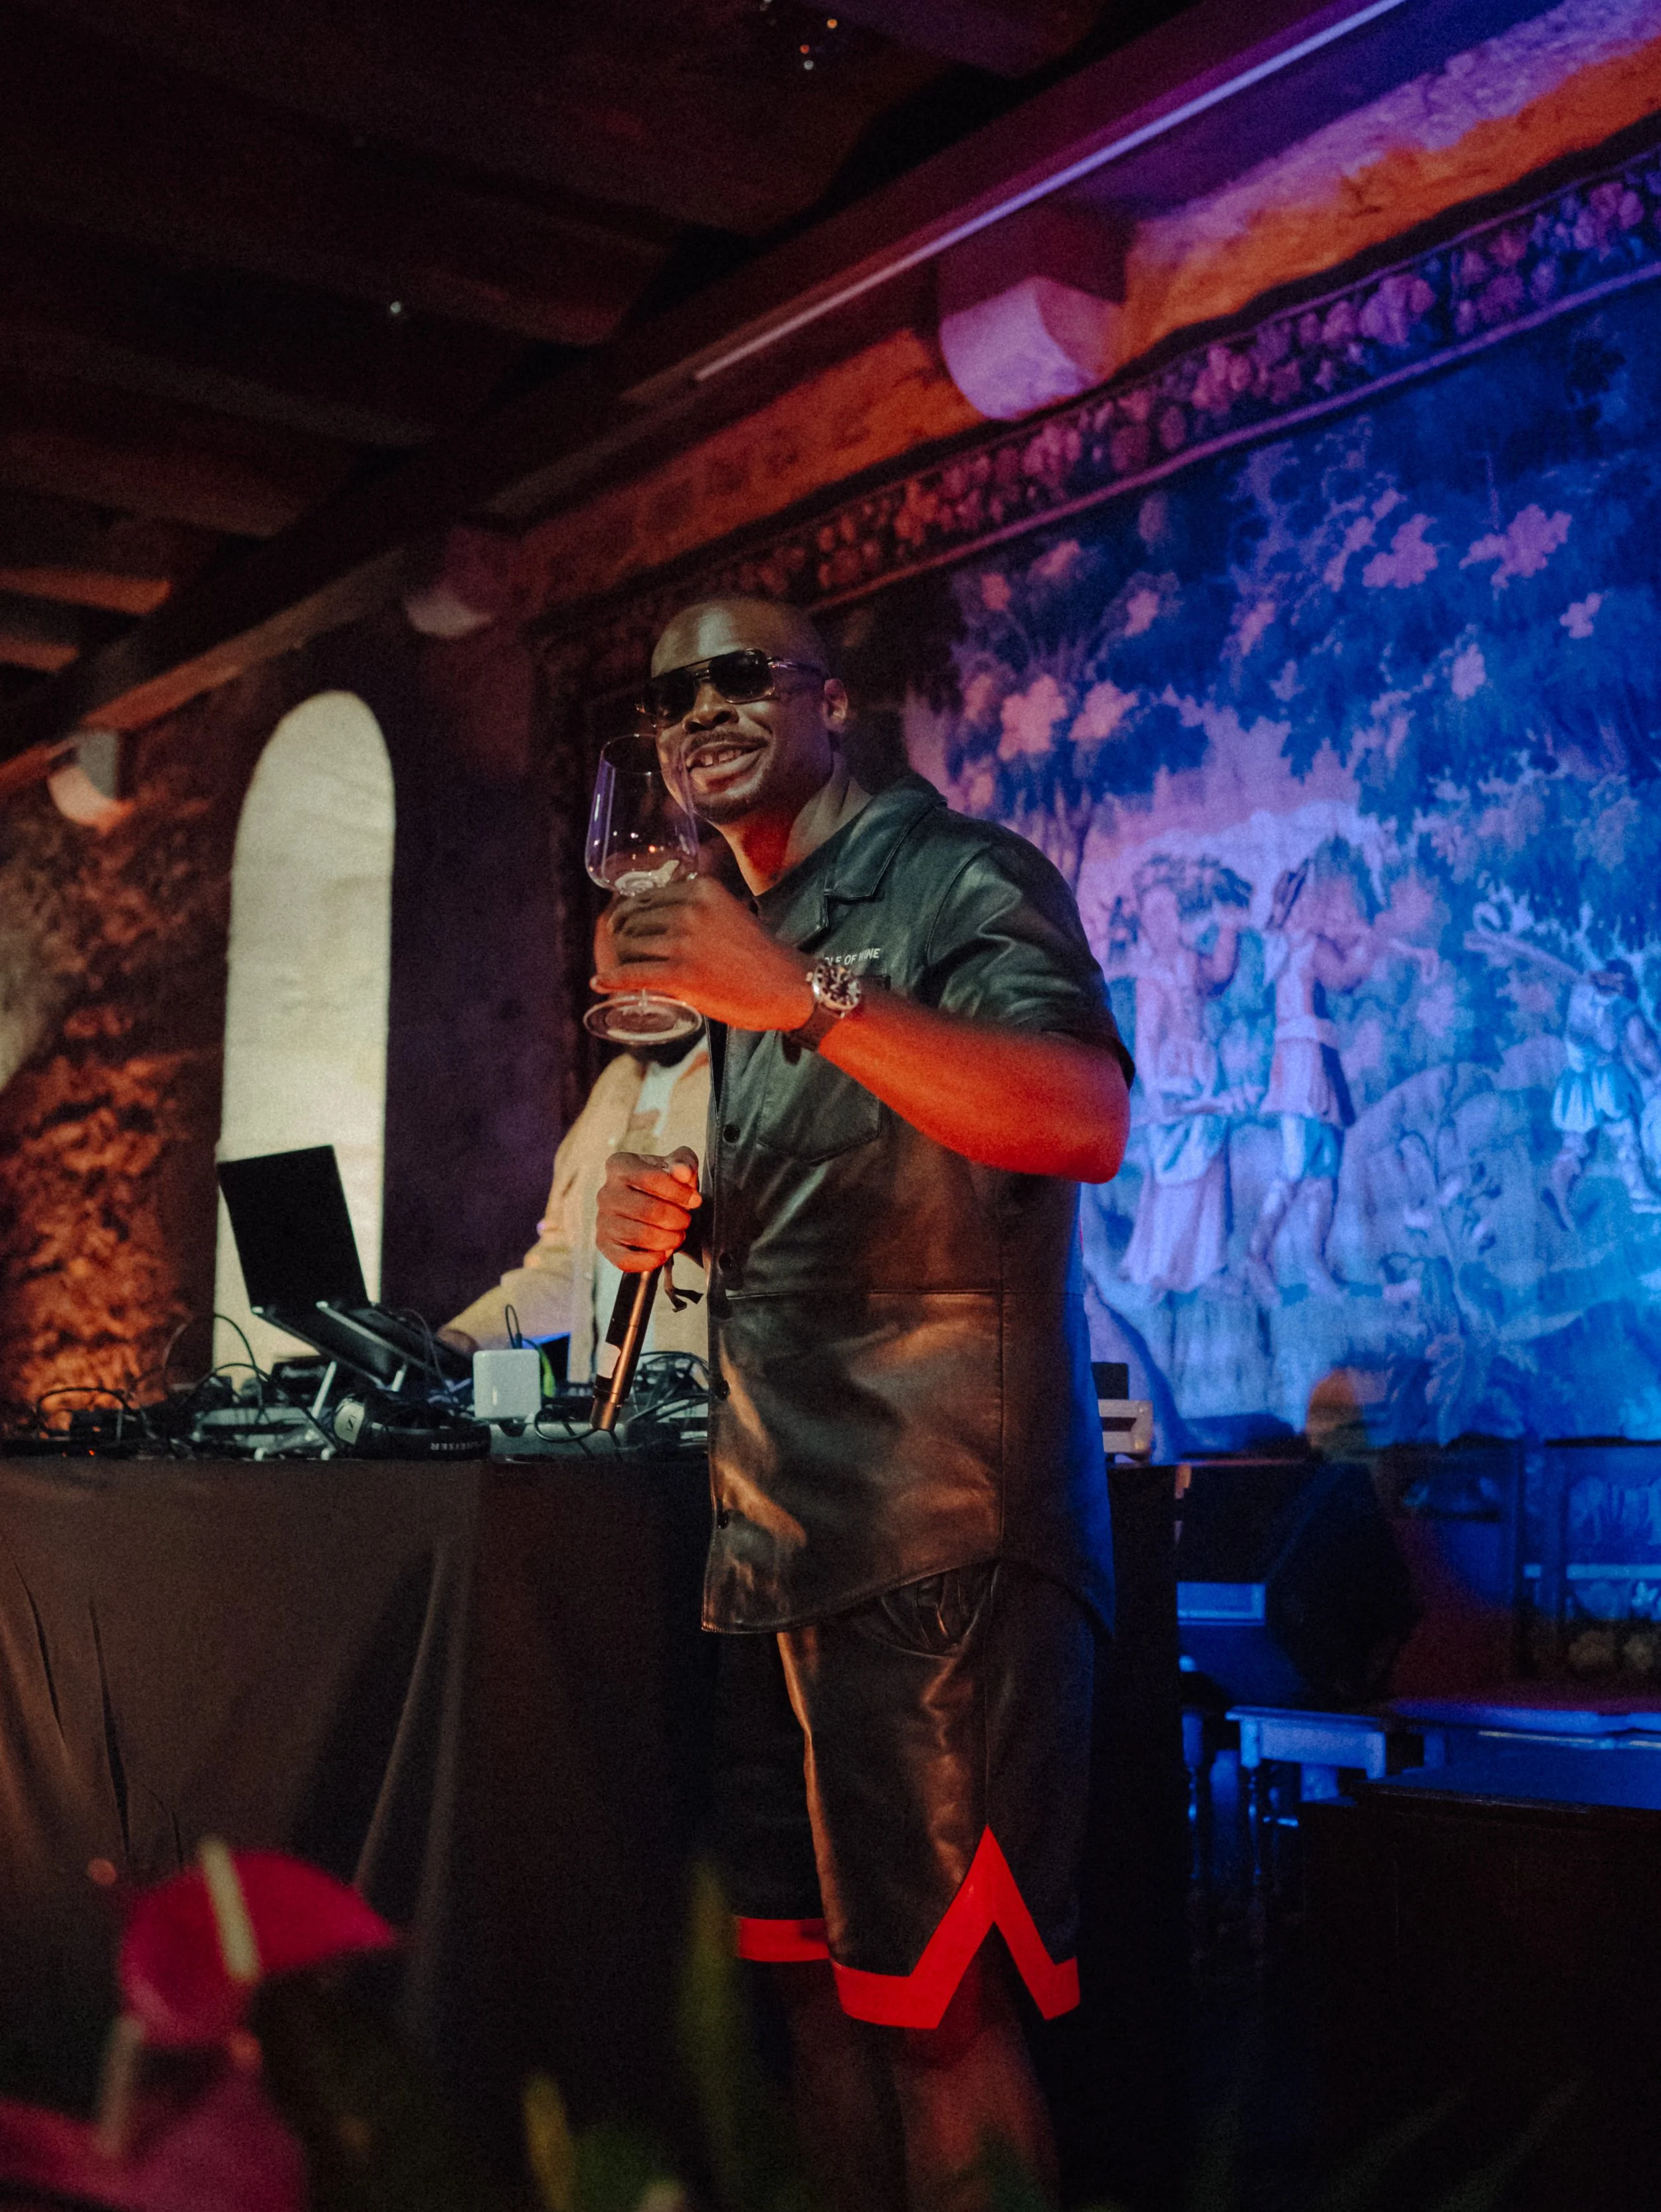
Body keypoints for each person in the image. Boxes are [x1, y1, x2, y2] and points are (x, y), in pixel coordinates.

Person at [593, 596, 1132, 2212]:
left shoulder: (955, 876)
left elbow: (1079, 1112)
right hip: (773, 1537)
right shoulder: (754, 924)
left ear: (830, 700)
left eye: (740, 672)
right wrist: (672, 1209)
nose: (700, 708)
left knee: (938, 2019)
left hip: (938, 1534)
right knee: (815, 2002)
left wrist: (804, 991)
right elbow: (851, 1181)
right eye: (672, 688)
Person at [438, 1034, 710, 1374]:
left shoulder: (742, 1073)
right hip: (607, 1411)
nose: (622, 987)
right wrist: (462, 1340)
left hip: (709, 1408)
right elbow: (572, 1267)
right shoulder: (617, 1079)